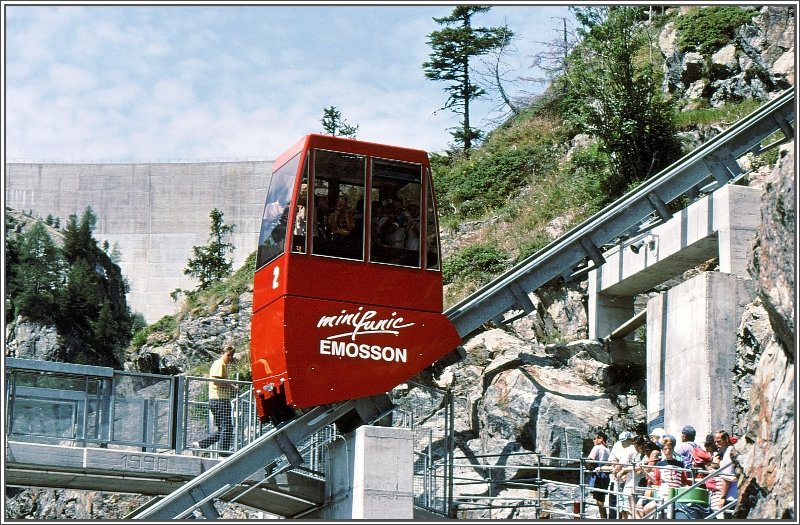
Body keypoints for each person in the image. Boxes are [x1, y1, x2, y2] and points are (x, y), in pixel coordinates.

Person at [194, 345, 239, 455]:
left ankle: (201, 445)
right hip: (220, 400)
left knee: (223, 429)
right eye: (228, 355)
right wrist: (232, 386)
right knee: (227, 427)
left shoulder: (222, 364)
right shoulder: (220, 364)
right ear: (222, 353)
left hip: (218, 400)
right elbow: (215, 380)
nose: (230, 358)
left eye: (232, 356)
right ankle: (223, 453)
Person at [607, 431, 637, 519]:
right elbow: (613, 459)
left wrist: (619, 471)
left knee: (629, 505)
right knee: (618, 502)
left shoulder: (632, 448)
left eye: (625, 441)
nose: (623, 443)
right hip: (619, 477)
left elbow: (624, 463)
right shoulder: (617, 445)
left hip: (629, 478)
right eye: (622, 441)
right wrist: (616, 471)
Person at [713, 430, 738, 518]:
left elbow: (727, 478)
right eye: (715, 442)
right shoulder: (728, 451)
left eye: (719, 441)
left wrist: (722, 497)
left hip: (731, 496)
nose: (716, 444)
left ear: (726, 439)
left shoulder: (728, 453)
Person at [587, 431, 611, 519]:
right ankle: (603, 517)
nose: (593, 440)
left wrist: (589, 467)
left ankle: (603, 518)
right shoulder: (608, 450)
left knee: (599, 500)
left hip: (598, 475)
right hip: (606, 475)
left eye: (595, 438)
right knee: (600, 499)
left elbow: (590, 460)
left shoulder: (596, 448)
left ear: (601, 439)